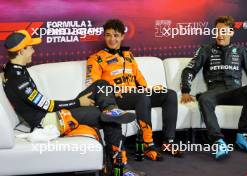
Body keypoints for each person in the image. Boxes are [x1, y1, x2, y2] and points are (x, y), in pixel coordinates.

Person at [3, 30, 145, 175]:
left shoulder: (12, 68)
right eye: (30, 47)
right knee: (109, 119)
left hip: (51, 113)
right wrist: (78, 102)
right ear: (21, 51)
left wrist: (78, 102)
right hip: (47, 119)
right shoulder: (17, 78)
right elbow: (47, 105)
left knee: (101, 84)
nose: (33, 51)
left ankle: (110, 108)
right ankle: (119, 168)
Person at [85, 19, 182, 161]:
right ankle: (148, 145)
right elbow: (93, 85)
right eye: (108, 35)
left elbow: (139, 78)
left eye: (116, 35)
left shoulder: (128, 55)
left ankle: (168, 142)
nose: (112, 39)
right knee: (141, 97)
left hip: (135, 95)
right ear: (104, 36)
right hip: (116, 98)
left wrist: (149, 89)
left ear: (122, 36)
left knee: (169, 94)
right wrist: (110, 89)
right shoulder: (96, 59)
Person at [180, 16, 247, 159]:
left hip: (236, 91)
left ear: (231, 32)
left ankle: (242, 136)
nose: (219, 34)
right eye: (217, 31)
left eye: (223, 31)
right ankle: (218, 141)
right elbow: (189, 70)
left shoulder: (241, 50)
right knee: (204, 98)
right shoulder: (205, 50)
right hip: (215, 92)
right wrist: (186, 91)